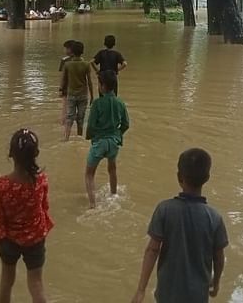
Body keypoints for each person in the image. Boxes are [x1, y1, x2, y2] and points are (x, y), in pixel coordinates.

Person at [131, 148, 228, 303]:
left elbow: (152, 250)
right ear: (207, 178)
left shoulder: (164, 209)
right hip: (198, 296)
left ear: (179, 177)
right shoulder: (214, 218)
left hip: (167, 293)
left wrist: (141, 290)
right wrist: (216, 283)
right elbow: (219, 258)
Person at [0, 129, 53, 303]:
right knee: (36, 284)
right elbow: (44, 207)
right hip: (35, 239)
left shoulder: (1, 185)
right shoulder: (41, 180)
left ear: (11, 154)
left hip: (9, 241)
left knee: (6, 282)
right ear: (36, 154)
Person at [85, 70, 130, 208]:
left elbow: (91, 125)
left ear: (102, 86)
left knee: (89, 174)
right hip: (114, 143)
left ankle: (92, 204)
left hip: (100, 142)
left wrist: (90, 137)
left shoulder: (97, 104)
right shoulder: (120, 103)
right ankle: (114, 195)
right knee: (112, 169)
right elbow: (126, 124)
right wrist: (117, 134)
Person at [60, 41, 93, 140]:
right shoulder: (86, 64)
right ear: (82, 52)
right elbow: (89, 82)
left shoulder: (67, 65)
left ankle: (66, 138)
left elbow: (63, 80)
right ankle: (79, 137)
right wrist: (92, 96)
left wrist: (61, 90)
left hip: (71, 94)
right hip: (83, 95)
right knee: (81, 118)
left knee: (69, 116)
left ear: (72, 52)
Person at [58, 40, 76, 125]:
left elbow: (63, 76)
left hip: (66, 88)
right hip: (77, 87)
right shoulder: (81, 60)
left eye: (65, 48)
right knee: (74, 107)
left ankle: (63, 123)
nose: (64, 50)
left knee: (64, 107)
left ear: (69, 49)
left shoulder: (64, 60)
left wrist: (60, 88)